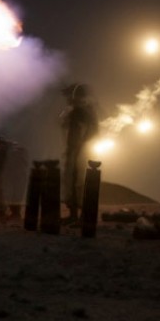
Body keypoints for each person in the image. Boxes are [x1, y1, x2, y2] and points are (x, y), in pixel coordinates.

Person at [59, 83, 99, 224]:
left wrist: (81, 146)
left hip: (80, 151)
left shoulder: (82, 111)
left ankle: (82, 217)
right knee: (71, 183)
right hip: (73, 150)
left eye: (70, 95)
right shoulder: (75, 110)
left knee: (79, 183)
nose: (68, 98)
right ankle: (73, 215)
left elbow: (92, 130)